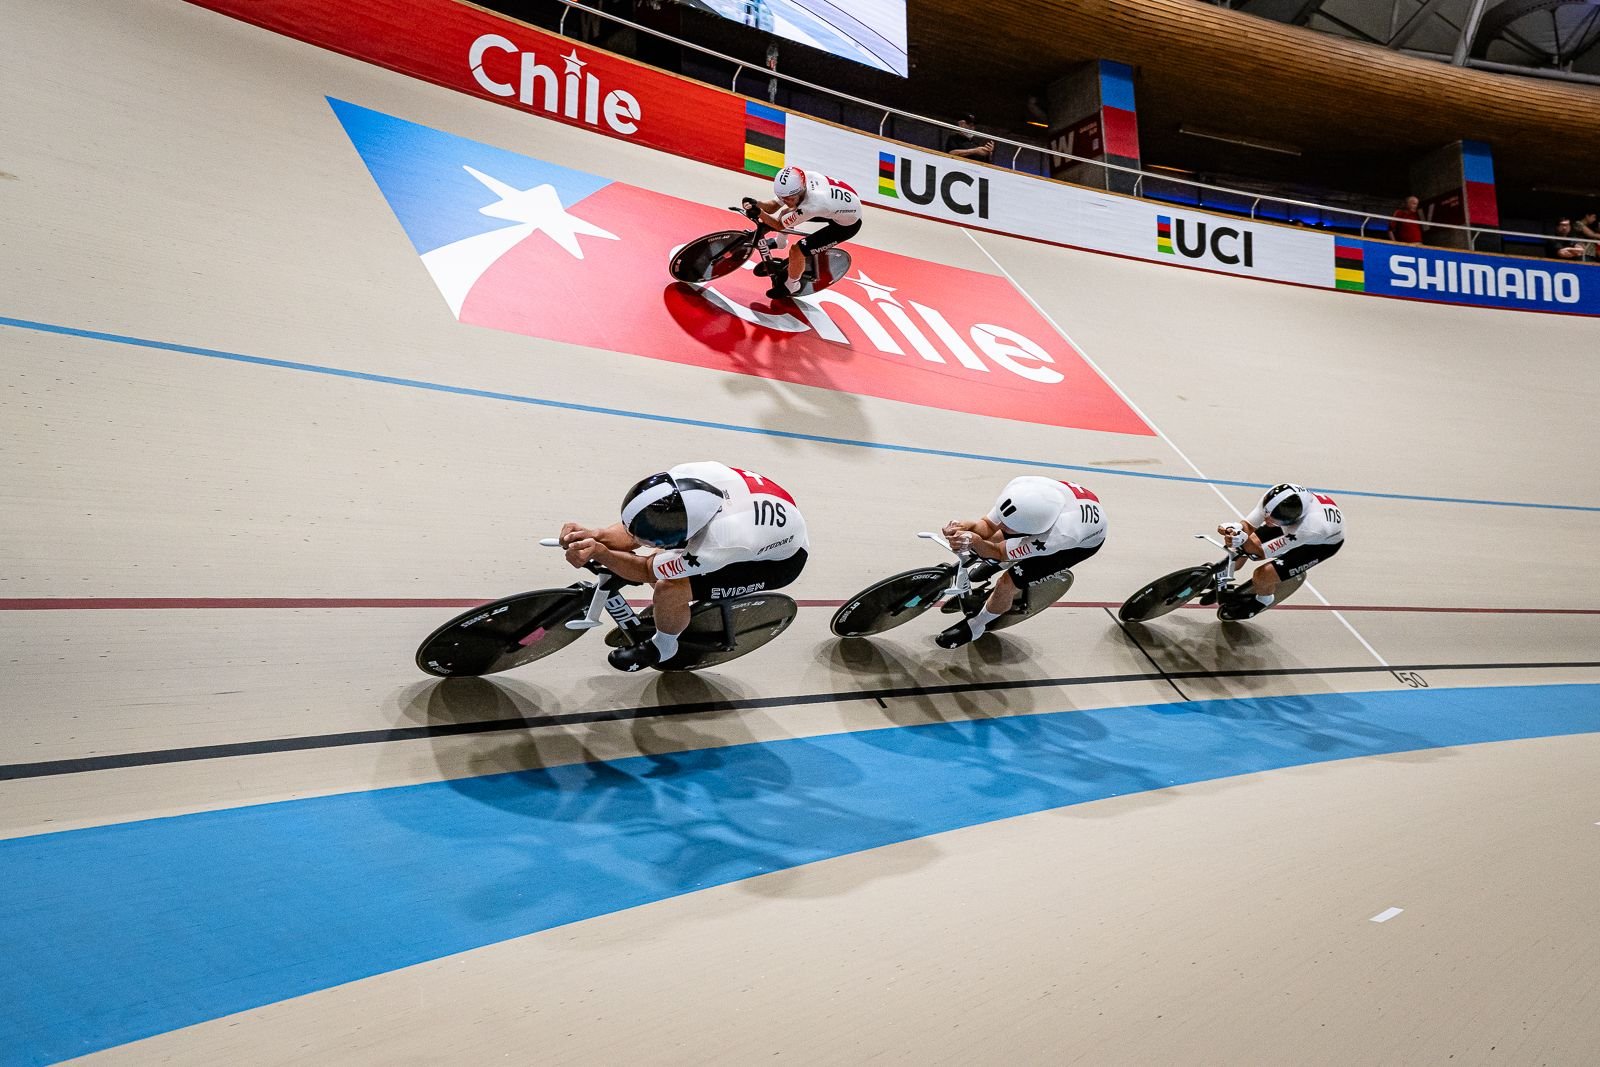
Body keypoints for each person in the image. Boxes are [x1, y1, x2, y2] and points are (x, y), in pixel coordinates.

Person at [559, 462, 809, 671]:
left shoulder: (719, 542)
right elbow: (641, 525)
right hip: (759, 523)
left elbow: (647, 568)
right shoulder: (687, 476)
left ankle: (664, 646)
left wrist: (602, 552)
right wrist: (597, 534)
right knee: (660, 551)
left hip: (775, 562)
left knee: (669, 587)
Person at [936, 476, 1107, 648]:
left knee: (1006, 583)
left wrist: (977, 542)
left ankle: (977, 625)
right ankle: (995, 563)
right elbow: (987, 526)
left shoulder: (1057, 536)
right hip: (1065, 510)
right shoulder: (1020, 490)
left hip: (1077, 545)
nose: (1002, 525)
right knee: (996, 537)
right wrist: (963, 527)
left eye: (1010, 526)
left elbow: (999, 552)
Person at [1214, 483, 1344, 620]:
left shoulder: (1308, 528)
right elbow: (1248, 526)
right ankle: (1225, 572)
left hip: (1320, 545)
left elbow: (1259, 554)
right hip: (1293, 524)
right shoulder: (1275, 498)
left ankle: (1263, 600)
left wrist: (1243, 540)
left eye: (1274, 519)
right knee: (1246, 543)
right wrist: (1235, 529)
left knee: (1263, 574)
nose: (1268, 521)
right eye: (1267, 515)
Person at [747, 165, 863, 300]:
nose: (787, 201)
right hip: (839, 206)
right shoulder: (795, 183)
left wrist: (759, 213)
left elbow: (779, 225)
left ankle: (792, 285)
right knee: (786, 211)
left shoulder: (812, 205)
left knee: (797, 251)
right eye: (783, 198)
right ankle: (780, 242)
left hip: (847, 224)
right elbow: (773, 206)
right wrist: (757, 203)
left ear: (801, 190)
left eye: (790, 198)